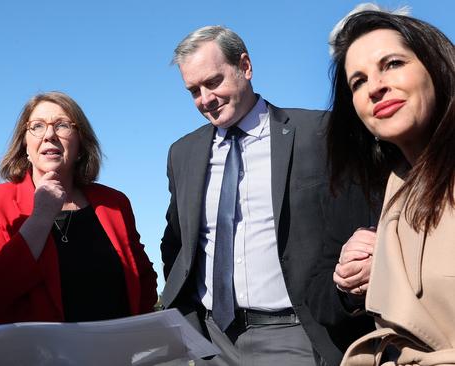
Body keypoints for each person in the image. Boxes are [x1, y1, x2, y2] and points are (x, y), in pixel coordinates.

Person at [160, 25, 371, 365]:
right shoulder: (182, 153)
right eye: (193, 91)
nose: (205, 100)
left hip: (294, 335)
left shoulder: (318, 133)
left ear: (245, 66)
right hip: (210, 340)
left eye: (213, 82)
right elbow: (176, 243)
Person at [326, 8, 455, 366]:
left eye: (393, 63)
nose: (376, 87)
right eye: (358, 81)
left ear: (437, 64)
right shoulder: (394, 187)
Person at [0, 91, 157, 324]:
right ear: (25, 144)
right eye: (37, 126)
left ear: (80, 143)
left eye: (63, 125)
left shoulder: (115, 203)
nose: (50, 135)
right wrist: (41, 216)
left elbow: (144, 280)